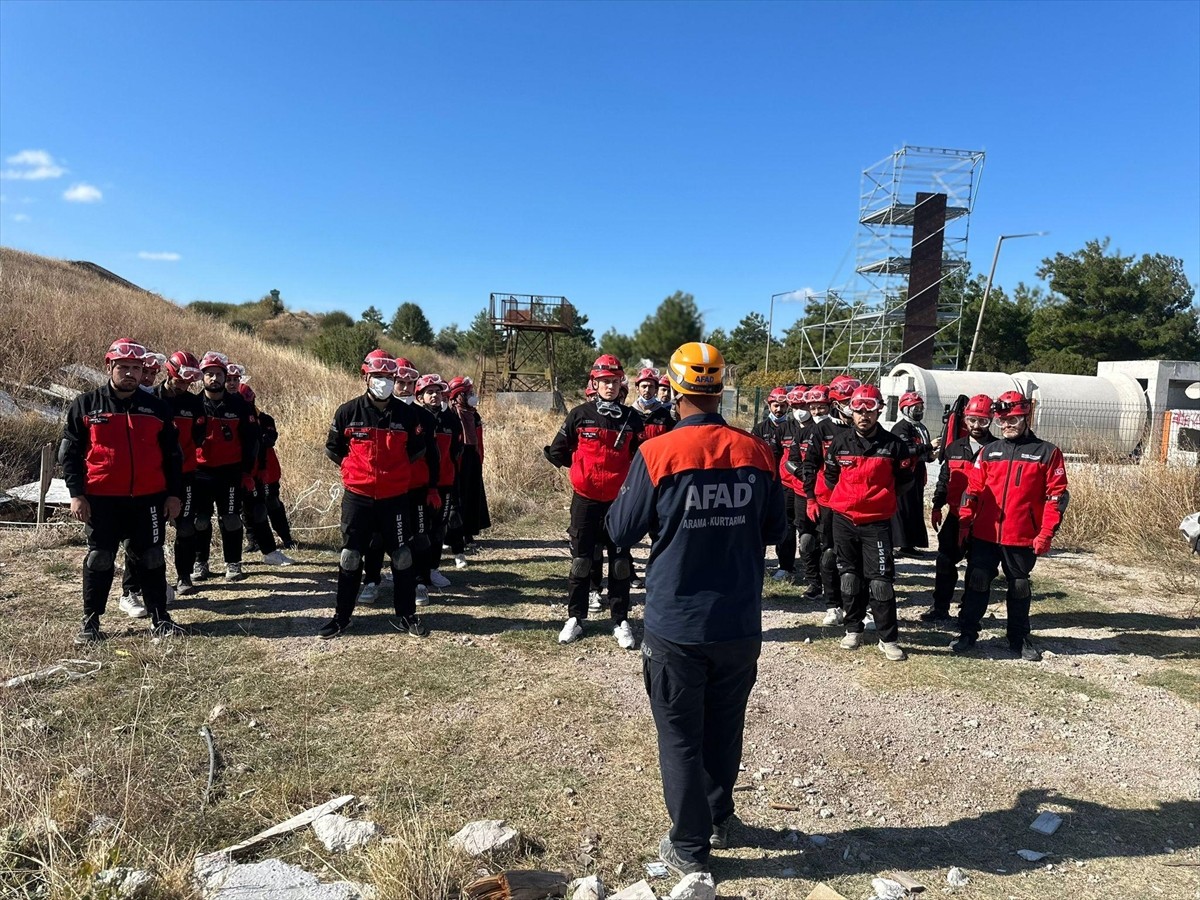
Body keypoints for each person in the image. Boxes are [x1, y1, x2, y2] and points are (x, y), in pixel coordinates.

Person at [606, 341, 786, 874]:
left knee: (681, 735)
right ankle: (717, 814)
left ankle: (689, 847)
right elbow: (777, 529)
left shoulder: (657, 452)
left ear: (675, 387)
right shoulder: (755, 450)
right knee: (724, 728)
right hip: (737, 621)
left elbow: (620, 529)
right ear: (719, 389)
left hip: (677, 622)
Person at [60, 338, 185, 642]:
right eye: (124, 367)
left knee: (152, 556)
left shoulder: (157, 408)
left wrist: (174, 494)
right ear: (110, 367)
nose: (130, 373)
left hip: (149, 499)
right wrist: (76, 494)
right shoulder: (86, 404)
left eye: (136, 368)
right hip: (101, 500)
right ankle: (90, 623)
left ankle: (161, 619)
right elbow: (70, 454)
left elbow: (173, 456)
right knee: (100, 557)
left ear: (143, 370)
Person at [951, 391, 1069, 661]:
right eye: (1001, 420)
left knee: (1019, 586)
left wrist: (1046, 533)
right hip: (986, 533)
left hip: (1022, 535)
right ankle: (968, 631)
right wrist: (965, 522)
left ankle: (1018, 636)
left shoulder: (1047, 453)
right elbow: (973, 490)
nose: (1006, 425)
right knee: (978, 581)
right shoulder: (989, 451)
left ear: (1026, 416)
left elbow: (1057, 497)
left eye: (1013, 419)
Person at [322, 350, 428, 639]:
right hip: (358, 496)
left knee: (402, 556)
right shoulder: (348, 411)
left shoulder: (407, 414)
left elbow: (417, 450)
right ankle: (342, 617)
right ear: (365, 376)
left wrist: (394, 473)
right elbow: (333, 448)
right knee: (350, 556)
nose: (382, 381)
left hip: (395, 498)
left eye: (387, 377)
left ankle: (406, 616)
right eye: (377, 376)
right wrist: (353, 470)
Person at [544, 354, 644, 648]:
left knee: (621, 563)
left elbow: (641, 459)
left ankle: (621, 620)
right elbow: (558, 450)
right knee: (581, 561)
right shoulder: (579, 414)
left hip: (619, 502)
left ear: (620, 384)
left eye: (614, 381)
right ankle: (575, 618)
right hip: (585, 501)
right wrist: (580, 470)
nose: (609, 386)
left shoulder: (632, 418)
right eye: (603, 381)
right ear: (594, 382)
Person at [823, 383, 913, 662]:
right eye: (858, 409)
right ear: (851, 411)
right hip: (844, 519)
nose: (864, 415)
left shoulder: (894, 445)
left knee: (880, 582)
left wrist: (881, 499)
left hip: (876, 522)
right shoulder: (840, 442)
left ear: (880, 411)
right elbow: (830, 476)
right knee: (849, 577)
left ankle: (888, 638)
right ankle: (853, 629)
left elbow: (905, 481)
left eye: (870, 409)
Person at [192, 352, 290, 582]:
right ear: (202, 377)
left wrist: (247, 471)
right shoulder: (193, 404)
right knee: (201, 520)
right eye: (209, 374)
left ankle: (233, 563)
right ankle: (200, 563)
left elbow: (252, 441)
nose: (214, 379)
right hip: (200, 473)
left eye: (218, 374)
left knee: (232, 519)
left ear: (225, 376)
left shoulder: (240, 406)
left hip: (230, 471)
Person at [921, 394, 996, 622]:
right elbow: (945, 479)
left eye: (982, 421)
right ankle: (940, 608)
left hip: (983, 521)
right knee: (944, 562)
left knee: (977, 570)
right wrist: (936, 505)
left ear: (991, 420)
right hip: (955, 517)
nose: (976, 426)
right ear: (965, 418)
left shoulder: (997, 449)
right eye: (972, 420)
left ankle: (968, 613)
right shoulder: (954, 448)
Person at [796, 384, 849, 625]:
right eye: (848, 401)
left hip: (857, 505)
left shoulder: (869, 431)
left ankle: (859, 606)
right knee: (827, 553)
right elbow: (807, 465)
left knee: (855, 559)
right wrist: (810, 497)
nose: (854, 408)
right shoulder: (820, 430)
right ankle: (832, 605)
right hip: (827, 501)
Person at [159, 350, 207, 595]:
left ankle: (184, 576)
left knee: (186, 527)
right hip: (155, 475)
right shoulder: (153, 399)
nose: (186, 384)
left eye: (190, 380)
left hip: (186, 474)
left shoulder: (193, 403)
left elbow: (199, 435)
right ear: (169, 372)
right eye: (182, 378)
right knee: (152, 531)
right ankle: (146, 584)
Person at [236, 384, 296, 565]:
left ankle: (285, 537)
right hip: (243, 470)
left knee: (272, 503)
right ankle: (253, 540)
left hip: (267, 469)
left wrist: (256, 436)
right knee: (244, 507)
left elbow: (270, 440)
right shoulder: (234, 419)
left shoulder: (264, 419)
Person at [417, 373, 463, 589]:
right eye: (429, 392)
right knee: (419, 530)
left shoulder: (451, 420)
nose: (434, 396)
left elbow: (457, 450)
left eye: (437, 392)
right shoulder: (414, 417)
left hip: (445, 484)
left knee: (438, 529)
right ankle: (416, 572)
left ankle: (433, 569)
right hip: (419, 485)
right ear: (420, 397)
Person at [754, 387, 798, 582]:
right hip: (764, 482)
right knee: (759, 522)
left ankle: (786, 566)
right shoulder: (759, 429)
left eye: (782, 406)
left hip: (786, 484)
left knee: (787, 525)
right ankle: (757, 561)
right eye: (775, 405)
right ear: (768, 405)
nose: (778, 409)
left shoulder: (793, 429)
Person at [890, 391, 938, 553]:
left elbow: (921, 453)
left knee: (915, 508)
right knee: (903, 508)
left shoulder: (920, 428)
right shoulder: (900, 427)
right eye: (915, 407)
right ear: (905, 409)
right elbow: (906, 450)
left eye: (920, 407)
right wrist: (929, 446)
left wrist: (932, 455)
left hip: (917, 472)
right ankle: (901, 543)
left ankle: (910, 543)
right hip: (904, 473)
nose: (919, 410)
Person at [448, 376, 491, 547]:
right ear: (458, 396)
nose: (472, 396)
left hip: (472, 457)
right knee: (457, 498)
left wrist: (480, 457)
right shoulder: (451, 414)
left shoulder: (474, 414)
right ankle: (453, 535)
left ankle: (469, 532)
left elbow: (479, 439)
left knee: (473, 495)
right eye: (468, 393)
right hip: (458, 458)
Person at [630, 367, 675, 440]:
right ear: (637, 389)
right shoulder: (629, 414)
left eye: (651, 386)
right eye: (644, 386)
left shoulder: (665, 415)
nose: (647, 390)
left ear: (656, 389)